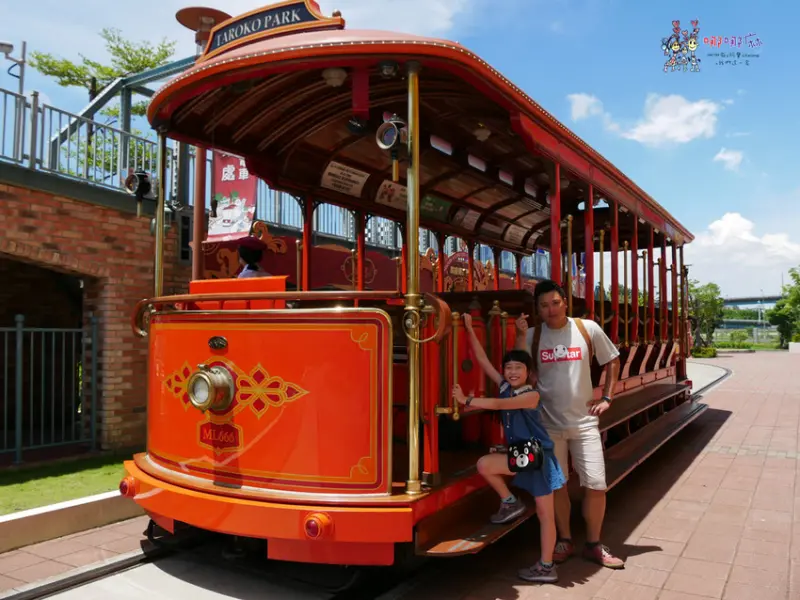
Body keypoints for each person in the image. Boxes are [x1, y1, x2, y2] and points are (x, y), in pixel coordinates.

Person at [514, 279, 624, 569]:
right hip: (548, 426)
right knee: (557, 486)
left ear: (565, 302)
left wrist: (608, 396)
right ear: (537, 309)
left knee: (596, 484)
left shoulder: (587, 329)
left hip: (585, 424)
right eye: (544, 305)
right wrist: (522, 349)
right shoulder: (533, 337)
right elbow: (516, 372)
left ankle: (594, 544)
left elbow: (612, 359)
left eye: (555, 303)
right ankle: (564, 539)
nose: (551, 310)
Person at [452, 313, 566, 584]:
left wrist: (467, 399)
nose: (513, 372)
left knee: (545, 515)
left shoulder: (530, 395)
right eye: (509, 368)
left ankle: (546, 564)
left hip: (537, 456)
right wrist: (469, 328)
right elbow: (482, 361)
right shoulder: (505, 386)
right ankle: (510, 502)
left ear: (530, 374)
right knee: (486, 464)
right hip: (525, 454)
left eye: (519, 368)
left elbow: (499, 405)